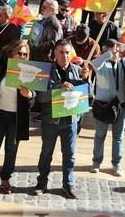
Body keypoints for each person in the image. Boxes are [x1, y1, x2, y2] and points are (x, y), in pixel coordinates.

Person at [34, 39, 90, 199]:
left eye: (67, 52)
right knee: (46, 154)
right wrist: (58, 88)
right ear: (55, 53)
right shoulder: (46, 72)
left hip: (70, 121)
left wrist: (86, 79)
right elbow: (41, 98)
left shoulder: (78, 70)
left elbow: (88, 95)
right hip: (50, 121)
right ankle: (41, 182)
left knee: (70, 155)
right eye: (61, 52)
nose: (64, 56)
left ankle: (68, 184)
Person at [0, 40, 34, 194]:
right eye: (20, 53)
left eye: (25, 54)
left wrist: (30, 94)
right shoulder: (1, 66)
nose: (22, 56)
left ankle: (5, 178)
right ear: (12, 53)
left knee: (11, 150)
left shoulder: (29, 72)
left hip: (17, 118)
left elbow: (37, 93)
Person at [90, 40, 125, 177]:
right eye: (113, 48)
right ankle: (96, 162)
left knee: (118, 137)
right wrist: (109, 53)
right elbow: (94, 64)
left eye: (118, 48)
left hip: (120, 105)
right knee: (100, 135)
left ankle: (117, 163)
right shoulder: (102, 63)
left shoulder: (124, 63)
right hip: (103, 105)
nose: (117, 50)